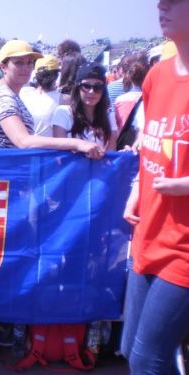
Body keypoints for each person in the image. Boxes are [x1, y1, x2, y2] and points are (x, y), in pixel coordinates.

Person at [121, 0, 189, 373]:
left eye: (174, 0)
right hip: (148, 233)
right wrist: (136, 184)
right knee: (131, 351)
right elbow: (149, 137)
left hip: (184, 248)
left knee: (150, 359)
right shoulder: (156, 76)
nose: (161, 6)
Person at [0, 40, 104, 159]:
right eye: (19, 62)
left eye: (30, 62)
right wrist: (77, 143)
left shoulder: (9, 92)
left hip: (8, 172)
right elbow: (24, 142)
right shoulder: (2, 95)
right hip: (3, 175)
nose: (26, 68)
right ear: (3, 67)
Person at [53, 62, 117, 151]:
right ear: (77, 88)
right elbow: (60, 155)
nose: (91, 91)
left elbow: (111, 154)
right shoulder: (63, 113)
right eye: (86, 86)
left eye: (98, 87)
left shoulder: (109, 116)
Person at [20, 55, 62, 137]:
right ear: (56, 76)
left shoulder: (23, 93)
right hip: (50, 148)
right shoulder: (64, 99)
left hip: (26, 147)